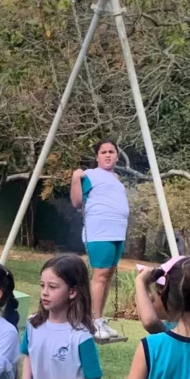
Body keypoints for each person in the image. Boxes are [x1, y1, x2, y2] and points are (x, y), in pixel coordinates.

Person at [70, 138, 129, 342]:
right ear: (97, 157)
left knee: (108, 275)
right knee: (101, 274)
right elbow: (77, 202)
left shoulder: (116, 178)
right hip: (100, 231)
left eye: (111, 151)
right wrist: (75, 179)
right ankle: (92, 321)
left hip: (117, 232)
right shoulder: (90, 175)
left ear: (117, 156)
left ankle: (100, 319)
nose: (108, 155)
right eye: (103, 152)